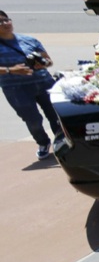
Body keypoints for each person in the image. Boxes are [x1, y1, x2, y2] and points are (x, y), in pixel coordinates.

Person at [0, 10, 61, 160]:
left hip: (44, 83)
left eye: (6, 20)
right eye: (0, 22)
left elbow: (49, 61)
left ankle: (61, 142)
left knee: (56, 116)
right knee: (32, 120)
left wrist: (43, 64)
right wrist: (11, 70)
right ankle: (43, 142)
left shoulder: (28, 40)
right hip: (16, 89)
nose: (5, 24)